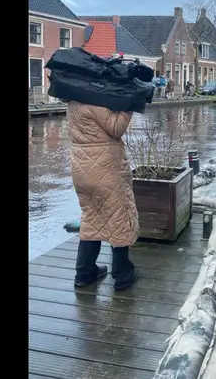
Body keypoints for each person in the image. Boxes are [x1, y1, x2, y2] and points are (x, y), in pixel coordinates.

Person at [67, 101, 139, 290]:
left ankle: (84, 273)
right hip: (104, 170)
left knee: (91, 218)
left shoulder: (73, 101)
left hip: (81, 168)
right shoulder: (95, 99)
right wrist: (128, 106)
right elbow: (116, 128)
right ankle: (123, 275)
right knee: (119, 219)